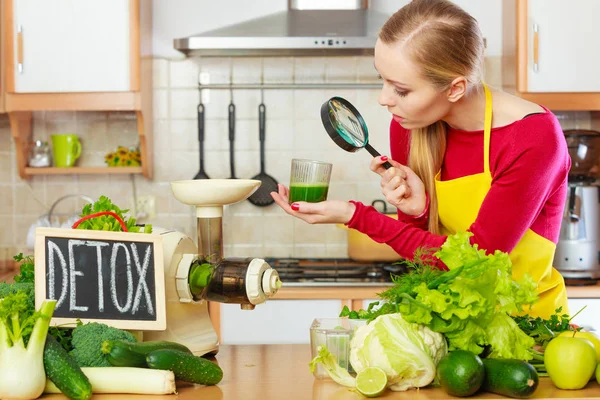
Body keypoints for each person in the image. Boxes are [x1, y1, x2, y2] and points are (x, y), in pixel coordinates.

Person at [270, 0, 570, 319]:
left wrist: (354, 215)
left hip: (527, 331)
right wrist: (418, 210)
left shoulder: (533, 138)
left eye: (400, 89)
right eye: (382, 80)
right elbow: (426, 256)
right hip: (451, 324)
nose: (383, 99)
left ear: (454, 88)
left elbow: (472, 263)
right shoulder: (409, 127)